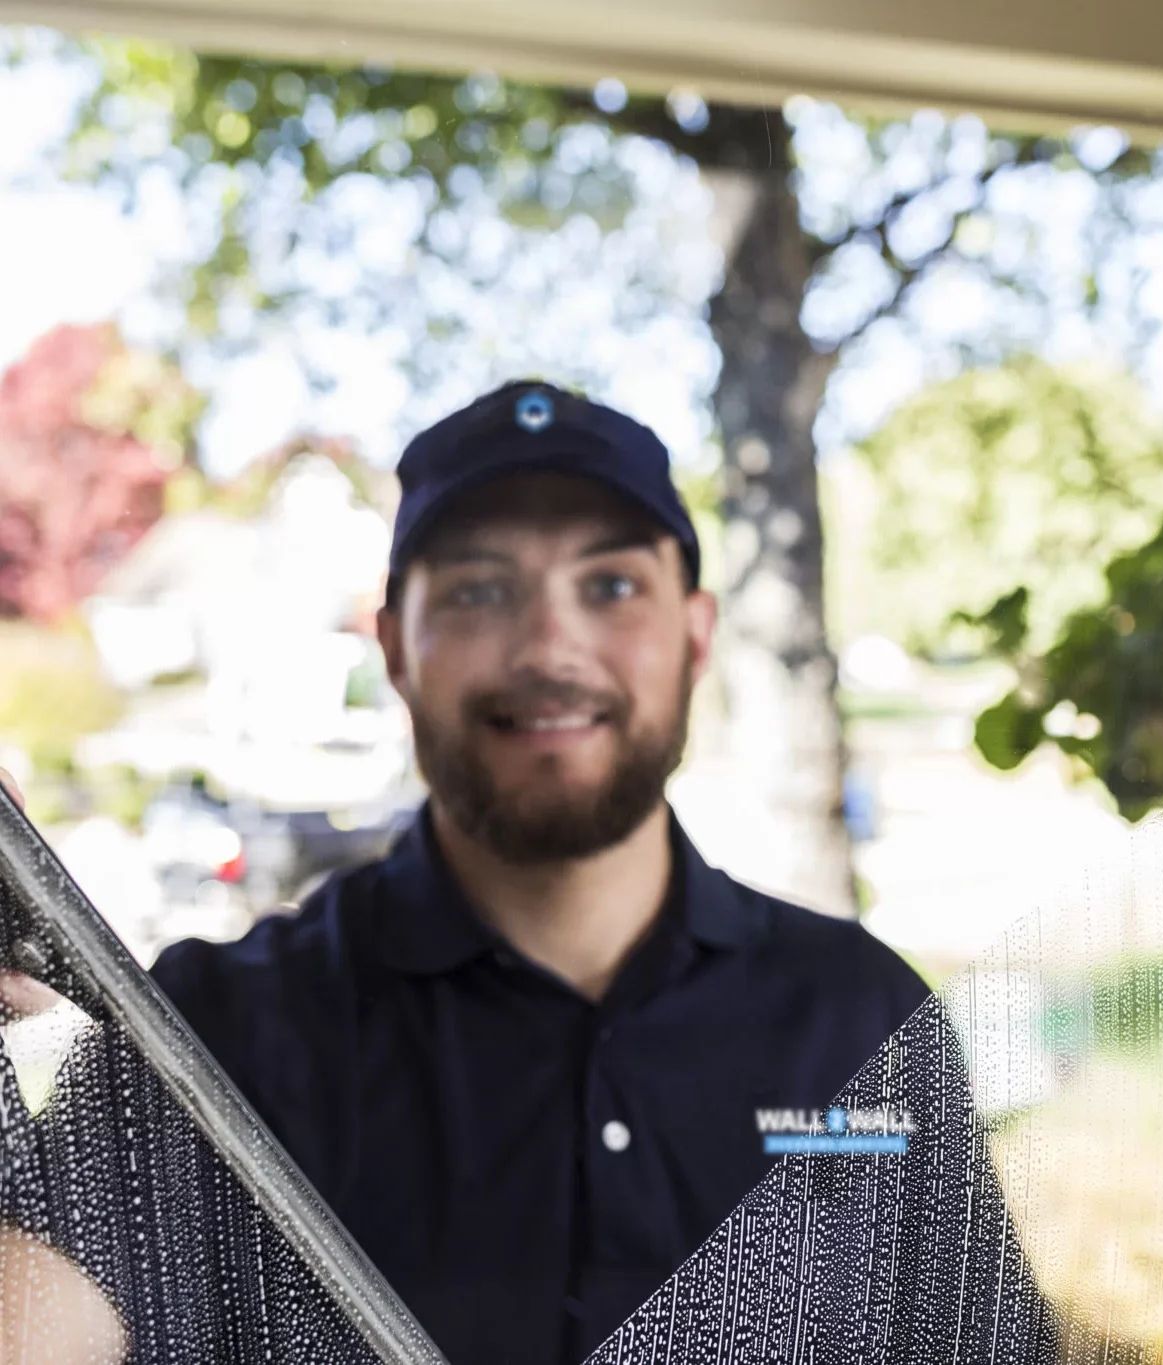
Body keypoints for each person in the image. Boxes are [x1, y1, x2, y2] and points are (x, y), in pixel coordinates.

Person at [0, 381, 1023, 1363]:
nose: (549, 644)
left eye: (611, 585)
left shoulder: (865, 1023)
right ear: (398, 646)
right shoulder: (206, 1042)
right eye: (481, 589)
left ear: (695, 634)